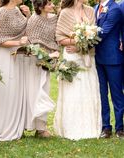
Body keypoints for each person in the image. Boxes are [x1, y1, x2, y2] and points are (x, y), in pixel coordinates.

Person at [54, 0, 102, 140]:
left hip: (87, 55)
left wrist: (81, 45)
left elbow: (94, 36)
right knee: (73, 90)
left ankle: (90, 126)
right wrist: (76, 42)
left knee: (88, 88)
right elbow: (59, 37)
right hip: (71, 56)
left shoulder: (90, 11)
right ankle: (71, 126)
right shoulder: (65, 12)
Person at [0, 0, 30, 141]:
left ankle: (16, 126)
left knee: (17, 89)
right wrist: (18, 43)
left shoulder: (18, 10)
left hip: (17, 54)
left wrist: (28, 15)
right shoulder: (1, 12)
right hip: (4, 55)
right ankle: (3, 127)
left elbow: (24, 31)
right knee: (7, 89)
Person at [24, 0, 59, 137]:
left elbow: (56, 38)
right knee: (35, 92)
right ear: (40, 6)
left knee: (45, 91)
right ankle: (31, 125)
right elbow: (32, 45)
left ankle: (41, 127)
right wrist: (48, 55)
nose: (52, 6)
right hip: (35, 62)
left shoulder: (53, 18)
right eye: (49, 4)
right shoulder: (34, 20)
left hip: (49, 61)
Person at [95, 0, 124, 138]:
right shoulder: (96, 8)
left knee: (116, 95)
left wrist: (81, 40)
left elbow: (103, 32)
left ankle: (120, 127)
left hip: (113, 58)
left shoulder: (115, 9)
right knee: (102, 94)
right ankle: (106, 127)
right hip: (98, 58)